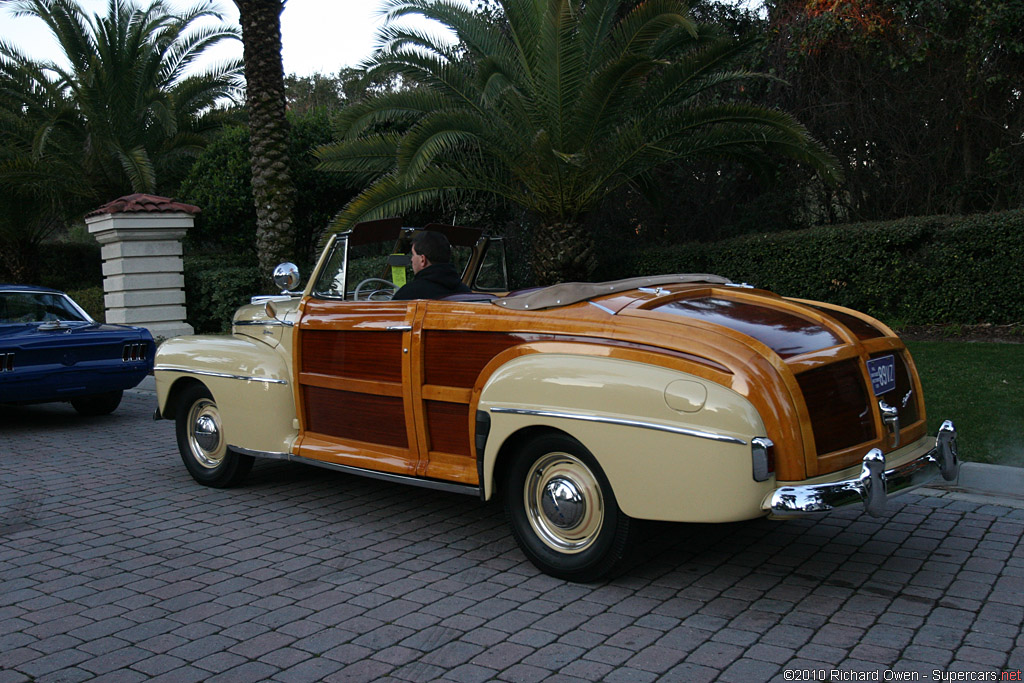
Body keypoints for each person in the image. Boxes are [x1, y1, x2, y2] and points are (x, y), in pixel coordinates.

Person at [391, 230, 472, 301]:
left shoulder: (407, 294)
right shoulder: (466, 293)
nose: (412, 259)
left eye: (413, 254)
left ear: (423, 259)